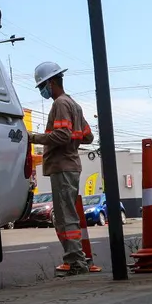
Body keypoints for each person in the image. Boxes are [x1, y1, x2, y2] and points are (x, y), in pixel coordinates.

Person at [29, 61, 95, 276]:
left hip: (63, 167)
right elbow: (87, 136)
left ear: (50, 82)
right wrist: (71, 141)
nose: (42, 91)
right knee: (66, 214)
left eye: (42, 87)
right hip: (70, 166)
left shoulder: (60, 104)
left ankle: (76, 262)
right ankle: (76, 260)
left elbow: (62, 135)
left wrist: (32, 137)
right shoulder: (74, 104)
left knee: (65, 216)